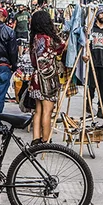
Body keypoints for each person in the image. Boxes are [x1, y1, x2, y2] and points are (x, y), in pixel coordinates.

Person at [29, 9, 66, 144]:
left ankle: (36, 138)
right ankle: (46, 139)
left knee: (38, 110)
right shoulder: (48, 39)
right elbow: (62, 45)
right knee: (47, 111)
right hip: (47, 79)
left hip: (36, 78)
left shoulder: (35, 38)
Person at [84, 7, 103, 118]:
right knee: (91, 85)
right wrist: (86, 55)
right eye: (101, 14)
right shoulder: (92, 29)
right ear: (97, 15)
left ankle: (101, 108)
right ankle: (89, 103)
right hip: (93, 61)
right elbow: (88, 44)